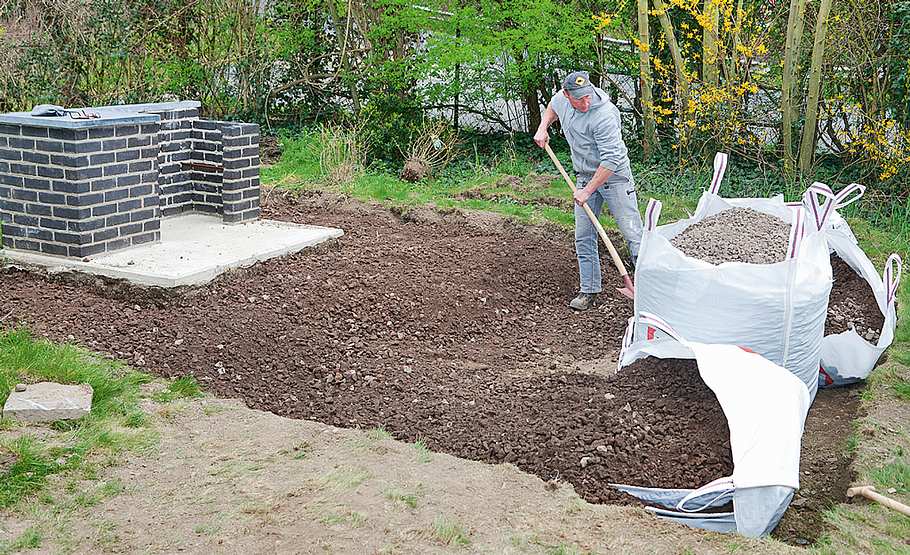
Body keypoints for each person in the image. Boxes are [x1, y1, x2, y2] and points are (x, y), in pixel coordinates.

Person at [533, 70, 644, 311]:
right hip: (584, 175)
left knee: (633, 234)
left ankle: (648, 290)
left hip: (615, 177)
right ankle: (589, 290)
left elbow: (611, 160)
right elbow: (553, 106)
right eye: (579, 98)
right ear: (567, 95)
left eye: (588, 96)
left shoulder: (604, 115)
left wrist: (587, 191)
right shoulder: (562, 99)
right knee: (584, 235)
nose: (585, 102)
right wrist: (543, 128)